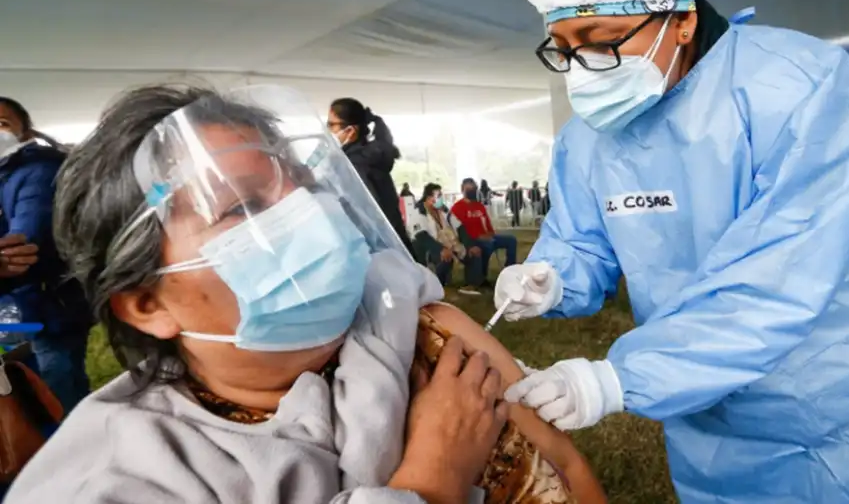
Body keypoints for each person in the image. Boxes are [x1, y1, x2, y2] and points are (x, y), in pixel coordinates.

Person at [494, 0, 849, 502]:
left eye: (601, 41)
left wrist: (621, 378)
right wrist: (551, 279)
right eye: (565, 48)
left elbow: (783, 274)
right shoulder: (590, 136)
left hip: (827, 397)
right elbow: (581, 241)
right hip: (700, 398)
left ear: (682, 18)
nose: (582, 69)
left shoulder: (799, 86)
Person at [7, 85, 605, 504]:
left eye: (304, 188)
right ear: (146, 304)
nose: (310, 218)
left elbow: (570, 469)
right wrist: (432, 483)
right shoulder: (128, 478)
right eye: (242, 207)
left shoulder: (420, 327)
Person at [0, 97, 92, 412]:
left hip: (50, 304)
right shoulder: (6, 173)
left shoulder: (39, 171)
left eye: (2, 124)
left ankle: (72, 451)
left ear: (24, 133)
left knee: (57, 387)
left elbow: (23, 246)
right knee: (26, 381)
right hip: (18, 305)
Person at [328, 98, 413, 258]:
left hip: (377, 253)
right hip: (395, 248)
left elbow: (366, 214)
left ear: (350, 130)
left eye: (332, 125)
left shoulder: (355, 165)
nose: (328, 130)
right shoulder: (369, 156)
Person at [411, 183, 484, 295]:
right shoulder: (418, 211)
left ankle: (472, 284)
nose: (441, 199)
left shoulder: (443, 210)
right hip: (428, 247)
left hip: (449, 243)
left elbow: (460, 227)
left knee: (474, 251)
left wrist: (470, 245)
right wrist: (440, 249)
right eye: (438, 196)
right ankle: (438, 285)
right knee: (446, 256)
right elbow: (421, 236)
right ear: (429, 198)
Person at [450, 178, 518, 284]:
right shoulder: (457, 208)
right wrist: (480, 237)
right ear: (462, 189)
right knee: (488, 245)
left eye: (474, 188)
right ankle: (482, 275)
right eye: (469, 188)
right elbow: (461, 230)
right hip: (471, 239)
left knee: (511, 240)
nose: (472, 191)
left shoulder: (479, 206)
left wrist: (490, 233)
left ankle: (509, 270)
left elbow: (487, 224)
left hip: (486, 236)